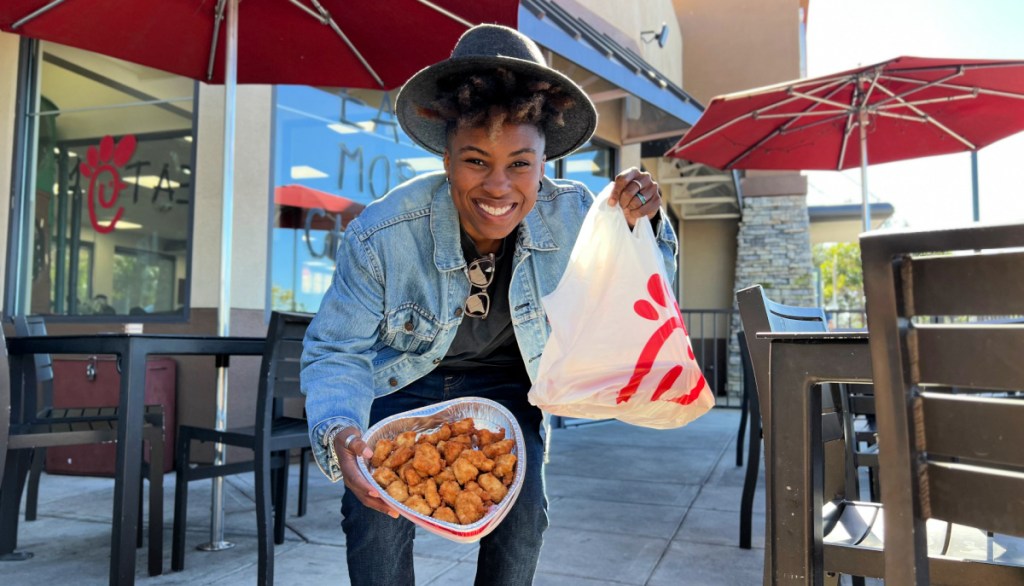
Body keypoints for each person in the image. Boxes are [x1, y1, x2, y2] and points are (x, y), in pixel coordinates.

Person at [301, 24, 677, 586]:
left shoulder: (579, 217)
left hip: (505, 390)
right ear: (446, 159)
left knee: (525, 519)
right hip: (402, 386)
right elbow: (337, 349)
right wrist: (338, 432)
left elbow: (649, 295)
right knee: (373, 515)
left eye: (520, 164)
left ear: (545, 162)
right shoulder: (383, 233)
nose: (498, 187)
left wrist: (643, 227)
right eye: (476, 161)